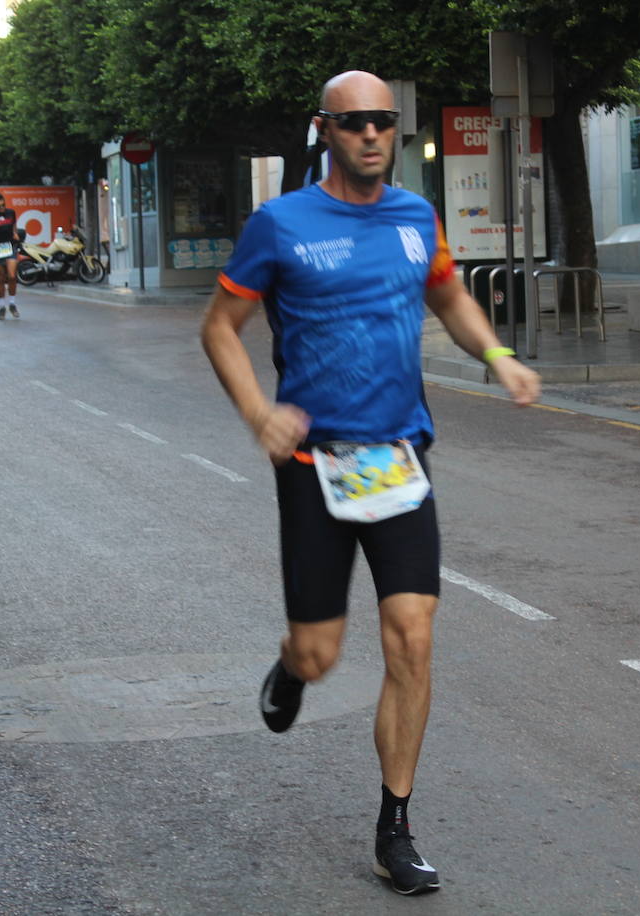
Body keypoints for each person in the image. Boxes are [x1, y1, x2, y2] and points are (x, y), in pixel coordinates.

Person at [201, 70, 541, 897]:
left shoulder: (416, 217)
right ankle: (291, 667)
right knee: (322, 653)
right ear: (326, 130)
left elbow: (450, 295)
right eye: (354, 123)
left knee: (412, 638)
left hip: (397, 457)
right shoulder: (279, 225)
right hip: (316, 466)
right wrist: (260, 414)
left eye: (384, 121)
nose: (371, 135)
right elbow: (219, 327)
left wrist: (496, 355)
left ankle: (396, 826)